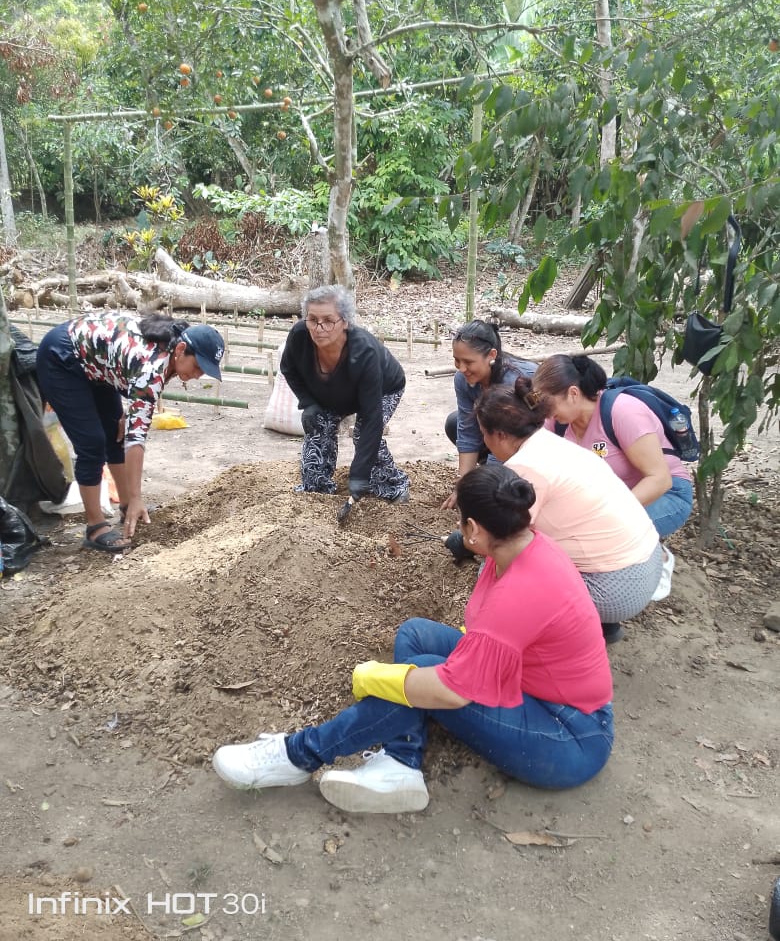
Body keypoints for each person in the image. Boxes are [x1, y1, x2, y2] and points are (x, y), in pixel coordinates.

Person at [212, 466, 614, 813]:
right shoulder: (524, 548)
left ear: (474, 529)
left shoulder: (519, 591)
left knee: (422, 673)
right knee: (416, 634)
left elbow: (452, 690)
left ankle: (299, 755)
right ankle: (401, 763)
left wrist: (378, 679)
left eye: (460, 520)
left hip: (568, 736)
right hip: (532, 688)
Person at [472, 378, 664, 644]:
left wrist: (471, 539)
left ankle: (540, 638)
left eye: (484, 433)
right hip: (649, 562)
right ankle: (601, 626)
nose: (484, 441)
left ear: (500, 435)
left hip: (615, 589)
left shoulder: (524, 468)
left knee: (497, 564)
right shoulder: (552, 443)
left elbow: (502, 541)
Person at [36, 311, 225, 552]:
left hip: (99, 364)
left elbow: (136, 385)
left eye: (203, 372)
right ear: (181, 350)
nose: (197, 376)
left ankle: (127, 506)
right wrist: (139, 496)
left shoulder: (172, 348)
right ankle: (95, 527)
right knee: (92, 444)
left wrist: (130, 412)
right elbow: (137, 439)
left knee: (116, 433)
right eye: (197, 366)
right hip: (62, 357)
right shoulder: (153, 366)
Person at [532, 354, 693, 597]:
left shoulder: (624, 412)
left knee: (596, 533)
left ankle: (658, 559)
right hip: (607, 497)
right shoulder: (558, 421)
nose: (544, 412)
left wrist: (604, 513)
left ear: (573, 394)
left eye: (547, 403)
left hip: (666, 494)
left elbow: (660, 479)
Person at [280, 285, 409, 503]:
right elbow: (288, 369)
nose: (319, 328)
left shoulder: (364, 352)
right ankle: (317, 490)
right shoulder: (299, 336)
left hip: (384, 388)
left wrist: (359, 475)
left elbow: (372, 419)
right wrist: (308, 402)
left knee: (363, 433)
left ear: (345, 322)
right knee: (318, 423)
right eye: (313, 319)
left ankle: (394, 486)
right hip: (333, 391)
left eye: (328, 320)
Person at [442, 321, 537, 510]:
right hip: (502, 441)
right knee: (454, 422)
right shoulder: (463, 379)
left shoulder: (514, 381)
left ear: (491, 355)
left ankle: (509, 476)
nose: (461, 368)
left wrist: (486, 489)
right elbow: (467, 431)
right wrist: (463, 485)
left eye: (468, 362)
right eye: (457, 360)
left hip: (534, 440)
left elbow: (505, 437)